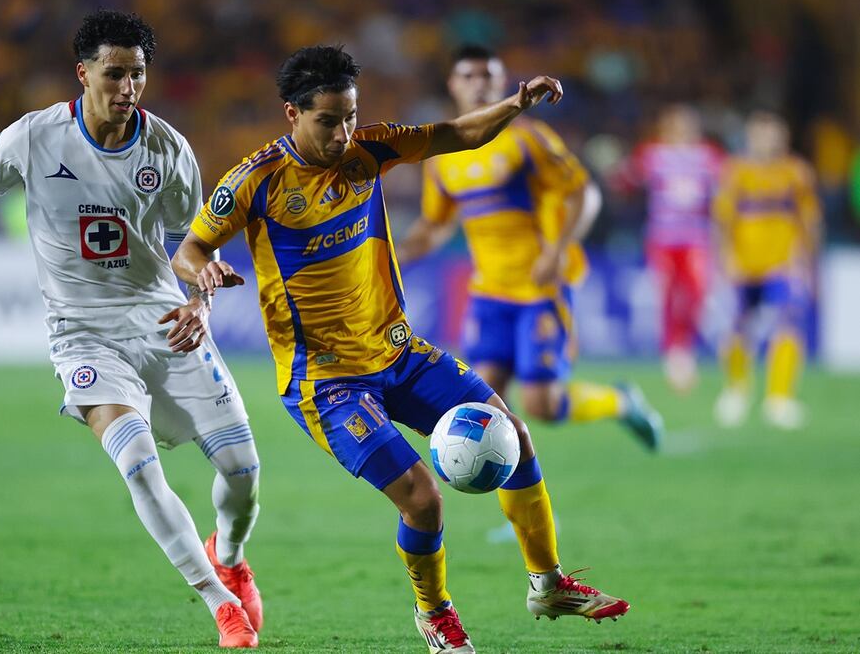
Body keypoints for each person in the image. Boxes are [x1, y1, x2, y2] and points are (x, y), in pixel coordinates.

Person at [172, 45, 629, 654]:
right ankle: (435, 614)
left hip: (399, 353)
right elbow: (192, 249)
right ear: (292, 113)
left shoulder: (370, 148)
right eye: (328, 121)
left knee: (514, 435)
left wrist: (515, 104)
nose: (343, 133)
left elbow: (457, 134)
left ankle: (547, 583)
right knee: (422, 497)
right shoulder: (255, 182)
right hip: (327, 383)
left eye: (350, 116)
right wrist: (201, 281)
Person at [0, 10, 261, 649]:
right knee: (137, 465)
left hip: (165, 322)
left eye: (138, 74)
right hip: (83, 335)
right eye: (115, 74)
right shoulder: (34, 139)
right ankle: (220, 604)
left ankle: (233, 552)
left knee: (243, 473)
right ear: (83, 73)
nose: (128, 87)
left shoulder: (167, 148)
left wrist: (202, 303)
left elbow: (197, 247)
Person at [398, 45, 663, 451]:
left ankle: (620, 401)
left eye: (488, 76)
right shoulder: (443, 157)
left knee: (541, 404)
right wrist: (390, 258)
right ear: (453, 85)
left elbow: (583, 195)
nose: (479, 85)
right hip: (489, 291)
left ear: (503, 83)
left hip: (541, 285)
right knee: (485, 409)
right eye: (469, 76)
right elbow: (435, 225)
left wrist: (557, 251)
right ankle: (521, 513)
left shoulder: (528, 140)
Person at [712, 111, 821, 430]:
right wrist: (723, 259)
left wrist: (808, 262)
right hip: (743, 266)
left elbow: (810, 220)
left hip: (782, 264)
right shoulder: (735, 172)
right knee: (737, 328)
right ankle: (736, 391)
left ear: (782, 137)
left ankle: (779, 398)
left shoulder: (795, 172)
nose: (767, 140)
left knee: (787, 324)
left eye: (773, 134)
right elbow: (722, 219)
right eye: (761, 134)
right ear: (750, 137)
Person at [617, 105, 724, 392]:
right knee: (668, 297)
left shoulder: (707, 156)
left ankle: (685, 347)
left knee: (696, 295)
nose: (681, 129)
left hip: (696, 239)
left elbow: (727, 190)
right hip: (662, 239)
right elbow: (626, 180)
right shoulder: (654, 155)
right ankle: (675, 356)